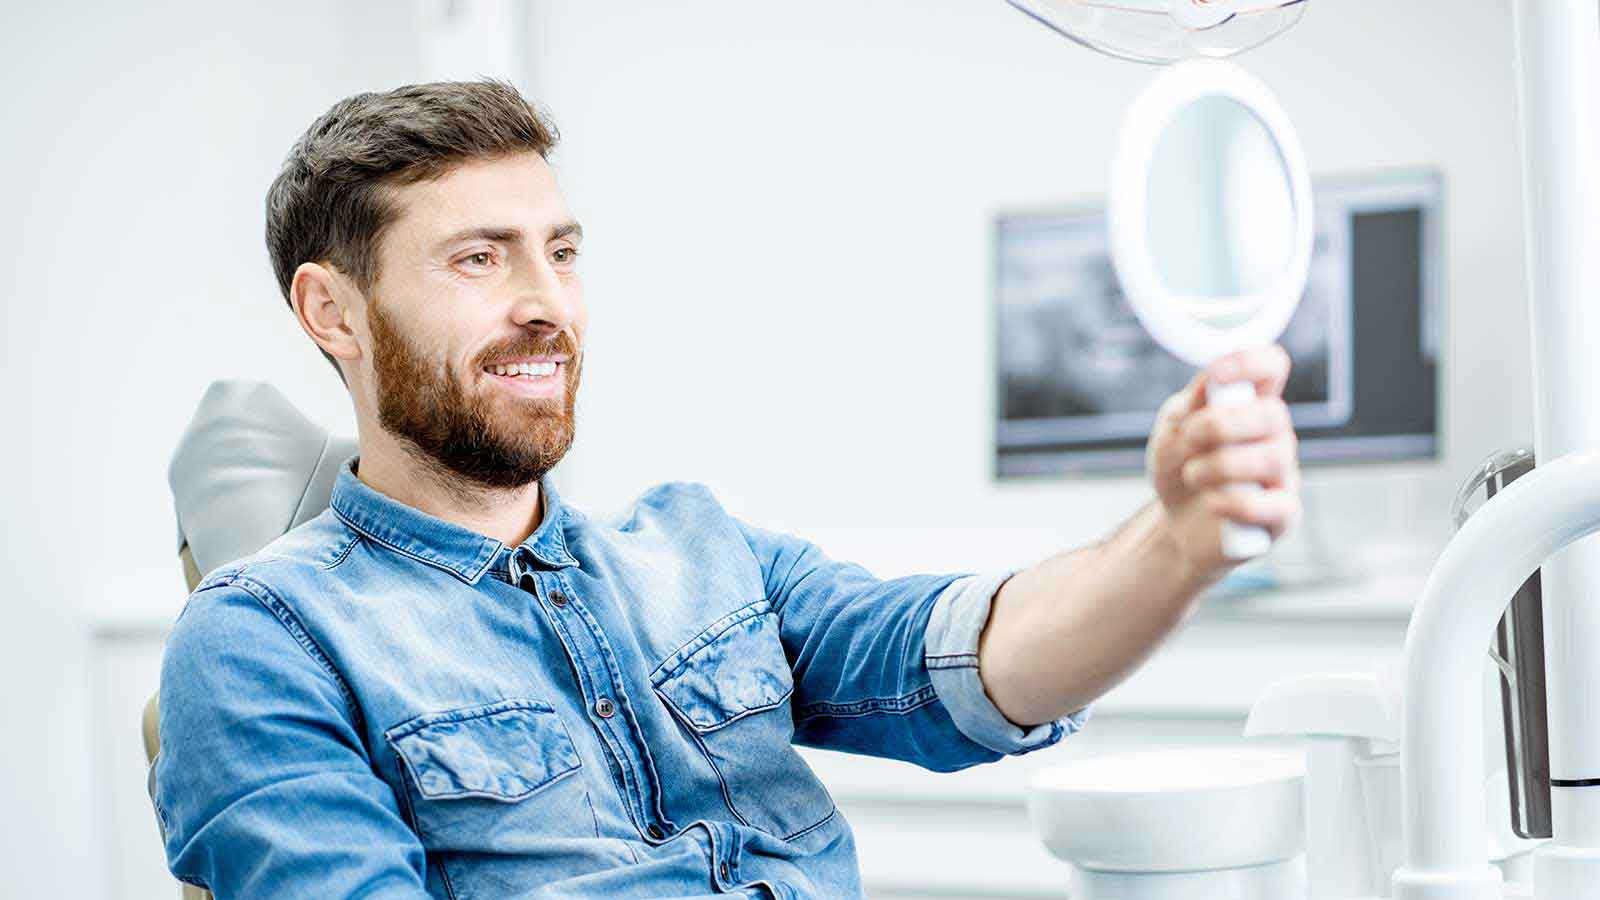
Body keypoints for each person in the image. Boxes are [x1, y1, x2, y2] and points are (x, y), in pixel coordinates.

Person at [154, 78, 1301, 900]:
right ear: (333, 313)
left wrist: (1178, 543)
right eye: (477, 258)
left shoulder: (697, 549)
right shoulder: (263, 641)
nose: (544, 301)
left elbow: (969, 665)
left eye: (561, 250)